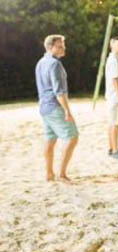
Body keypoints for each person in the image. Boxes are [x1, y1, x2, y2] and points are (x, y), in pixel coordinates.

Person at [35, 34, 79, 183]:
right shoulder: (54, 64)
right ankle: (62, 174)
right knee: (72, 136)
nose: (63, 48)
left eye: (63, 45)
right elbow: (59, 91)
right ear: (50, 47)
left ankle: (49, 174)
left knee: (50, 140)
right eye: (60, 46)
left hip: (44, 107)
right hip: (54, 107)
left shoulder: (41, 62)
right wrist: (67, 111)